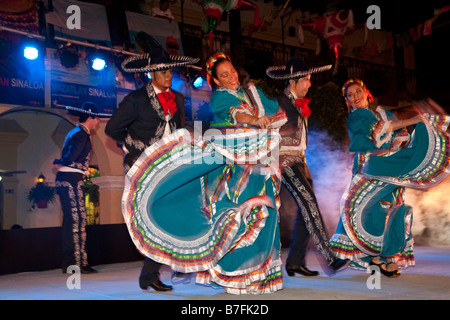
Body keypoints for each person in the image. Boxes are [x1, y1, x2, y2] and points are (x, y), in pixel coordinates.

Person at [118, 51, 287, 294]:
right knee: (240, 214)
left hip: (260, 164)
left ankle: (257, 274)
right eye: (224, 75)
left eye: (232, 72)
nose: (231, 77)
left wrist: (275, 112)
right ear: (216, 81)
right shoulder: (219, 97)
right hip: (235, 167)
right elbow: (236, 114)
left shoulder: (251, 92)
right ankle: (232, 273)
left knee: (267, 214)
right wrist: (254, 120)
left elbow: (276, 112)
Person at [329, 79, 450, 277]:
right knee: (362, 207)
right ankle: (351, 254)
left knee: (390, 208)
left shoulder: (384, 113)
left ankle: (384, 258)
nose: (355, 97)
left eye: (358, 92)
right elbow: (380, 130)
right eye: (350, 95)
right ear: (347, 101)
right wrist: (413, 120)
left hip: (390, 166)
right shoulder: (356, 117)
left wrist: (415, 131)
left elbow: (399, 134)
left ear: (366, 93)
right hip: (369, 167)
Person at [105, 46, 198, 291]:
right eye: (163, 71)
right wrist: (137, 147)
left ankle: (164, 269)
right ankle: (152, 274)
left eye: (170, 70)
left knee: (176, 213)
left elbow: (178, 127)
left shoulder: (177, 98)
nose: (168, 75)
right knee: (160, 216)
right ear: (151, 73)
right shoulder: (135, 100)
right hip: (142, 165)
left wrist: (187, 137)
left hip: (169, 164)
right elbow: (112, 129)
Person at [266, 59, 349, 277]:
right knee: (310, 205)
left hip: (300, 160)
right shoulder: (278, 101)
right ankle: (329, 258)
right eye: (306, 80)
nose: (309, 84)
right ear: (293, 80)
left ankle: (295, 261)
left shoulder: (296, 103)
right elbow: (269, 130)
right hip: (286, 160)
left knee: (306, 211)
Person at [54, 102, 111, 274]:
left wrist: (63, 163)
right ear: (91, 117)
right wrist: (60, 162)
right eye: (97, 119)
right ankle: (76, 264)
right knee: (77, 221)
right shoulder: (81, 134)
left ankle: (71, 263)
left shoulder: (77, 132)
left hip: (70, 179)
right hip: (71, 179)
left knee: (73, 221)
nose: (98, 122)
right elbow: (70, 157)